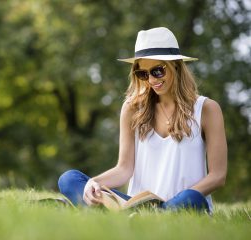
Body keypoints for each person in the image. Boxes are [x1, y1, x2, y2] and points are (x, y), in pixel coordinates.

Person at [58, 27, 227, 213]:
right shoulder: (132, 108)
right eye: (143, 74)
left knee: (191, 197)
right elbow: (124, 169)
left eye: (157, 71)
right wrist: (95, 183)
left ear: (176, 66)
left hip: (184, 204)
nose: (151, 80)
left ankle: (140, 216)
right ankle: (139, 216)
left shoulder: (207, 109)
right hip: (136, 206)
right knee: (69, 179)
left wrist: (175, 202)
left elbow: (218, 176)